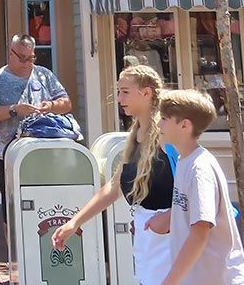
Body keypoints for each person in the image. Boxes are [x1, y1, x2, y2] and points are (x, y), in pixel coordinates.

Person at [51, 65, 173, 284]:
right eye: (118, 91)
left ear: (146, 93)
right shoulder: (135, 136)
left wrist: (164, 220)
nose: (119, 98)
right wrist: (75, 222)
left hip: (172, 240)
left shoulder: (167, 135)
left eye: (125, 91)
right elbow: (114, 186)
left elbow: (193, 185)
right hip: (148, 238)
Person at [148, 89, 244, 285]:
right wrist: (163, 220)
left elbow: (200, 231)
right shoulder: (184, 161)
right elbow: (187, 211)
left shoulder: (199, 170)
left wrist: (169, 282)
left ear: (185, 125)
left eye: (164, 119)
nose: (159, 124)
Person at [0, 33, 72, 223]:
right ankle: (13, 251)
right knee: (12, 213)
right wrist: (14, 110)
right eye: (22, 57)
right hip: (9, 155)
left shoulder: (44, 75)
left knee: (44, 206)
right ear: (10, 53)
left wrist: (51, 106)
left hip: (44, 153)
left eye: (31, 58)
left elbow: (67, 103)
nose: (27, 63)